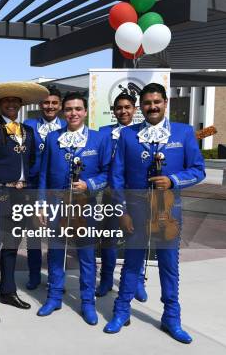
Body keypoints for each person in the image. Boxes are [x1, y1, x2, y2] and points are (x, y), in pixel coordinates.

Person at [104, 83, 205, 344]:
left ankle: (171, 318)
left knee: (169, 266)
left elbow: (198, 170)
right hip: (135, 210)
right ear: (141, 107)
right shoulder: (127, 135)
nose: (153, 107)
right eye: (148, 103)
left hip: (169, 211)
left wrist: (173, 180)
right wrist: (121, 211)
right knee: (132, 263)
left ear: (165, 103)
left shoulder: (183, 133)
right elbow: (117, 176)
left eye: (157, 102)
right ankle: (121, 311)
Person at [0, 81, 49, 324]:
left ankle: (8, 291)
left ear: (21, 104)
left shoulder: (29, 131)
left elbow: (32, 161)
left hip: (22, 196)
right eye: (7, 101)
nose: (11, 104)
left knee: (12, 247)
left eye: (15, 101)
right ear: (0, 105)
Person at [37, 92, 110, 325]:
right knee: (56, 253)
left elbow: (108, 173)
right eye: (69, 109)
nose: (73, 113)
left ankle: (87, 302)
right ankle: (54, 297)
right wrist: (40, 204)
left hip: (85, 205)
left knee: (86, 256)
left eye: (78, 109)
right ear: (63, 111)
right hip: (57, 205)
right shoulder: (52, 138)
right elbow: (44, 174)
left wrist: (89, 184)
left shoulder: (99, 139)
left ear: (85, 111)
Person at [96, 93, 147, 300]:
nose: (123, 111)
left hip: (136, 194)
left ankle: (137, 281)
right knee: (109, 238)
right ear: (113, 110)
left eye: (127, 107)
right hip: (111, 192)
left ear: (134, 109)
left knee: (137, 238)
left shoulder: (144, 132)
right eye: (119, 107)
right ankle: (106, 278)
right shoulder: (103, 133)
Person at [23, 86, 65, 290]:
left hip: (57, 188)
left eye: (54, 103)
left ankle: (56, 278)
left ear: (60, 105)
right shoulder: (28, 125)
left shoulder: (68, 126)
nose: (50, 106)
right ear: (40, 104)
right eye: (46, 103)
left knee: (58, 236)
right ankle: (33, 274)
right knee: (33, 233)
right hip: (32, 186)